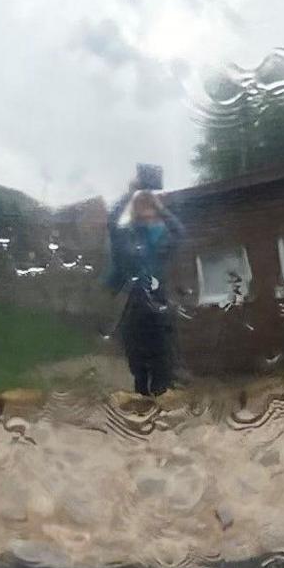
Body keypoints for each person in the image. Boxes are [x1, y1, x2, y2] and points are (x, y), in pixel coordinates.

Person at [106, 166, 185, 397]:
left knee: (162, 355)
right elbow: (111, 221)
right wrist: (130, 191)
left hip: (158, 297)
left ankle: (160, 396)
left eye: (149, 204)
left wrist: (161, 207)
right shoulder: (128, 234)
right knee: (138, 358)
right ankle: (141, 396)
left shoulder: (163, 235)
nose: (145, 208)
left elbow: (180, 232)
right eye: (141, 204)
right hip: (136, 299)